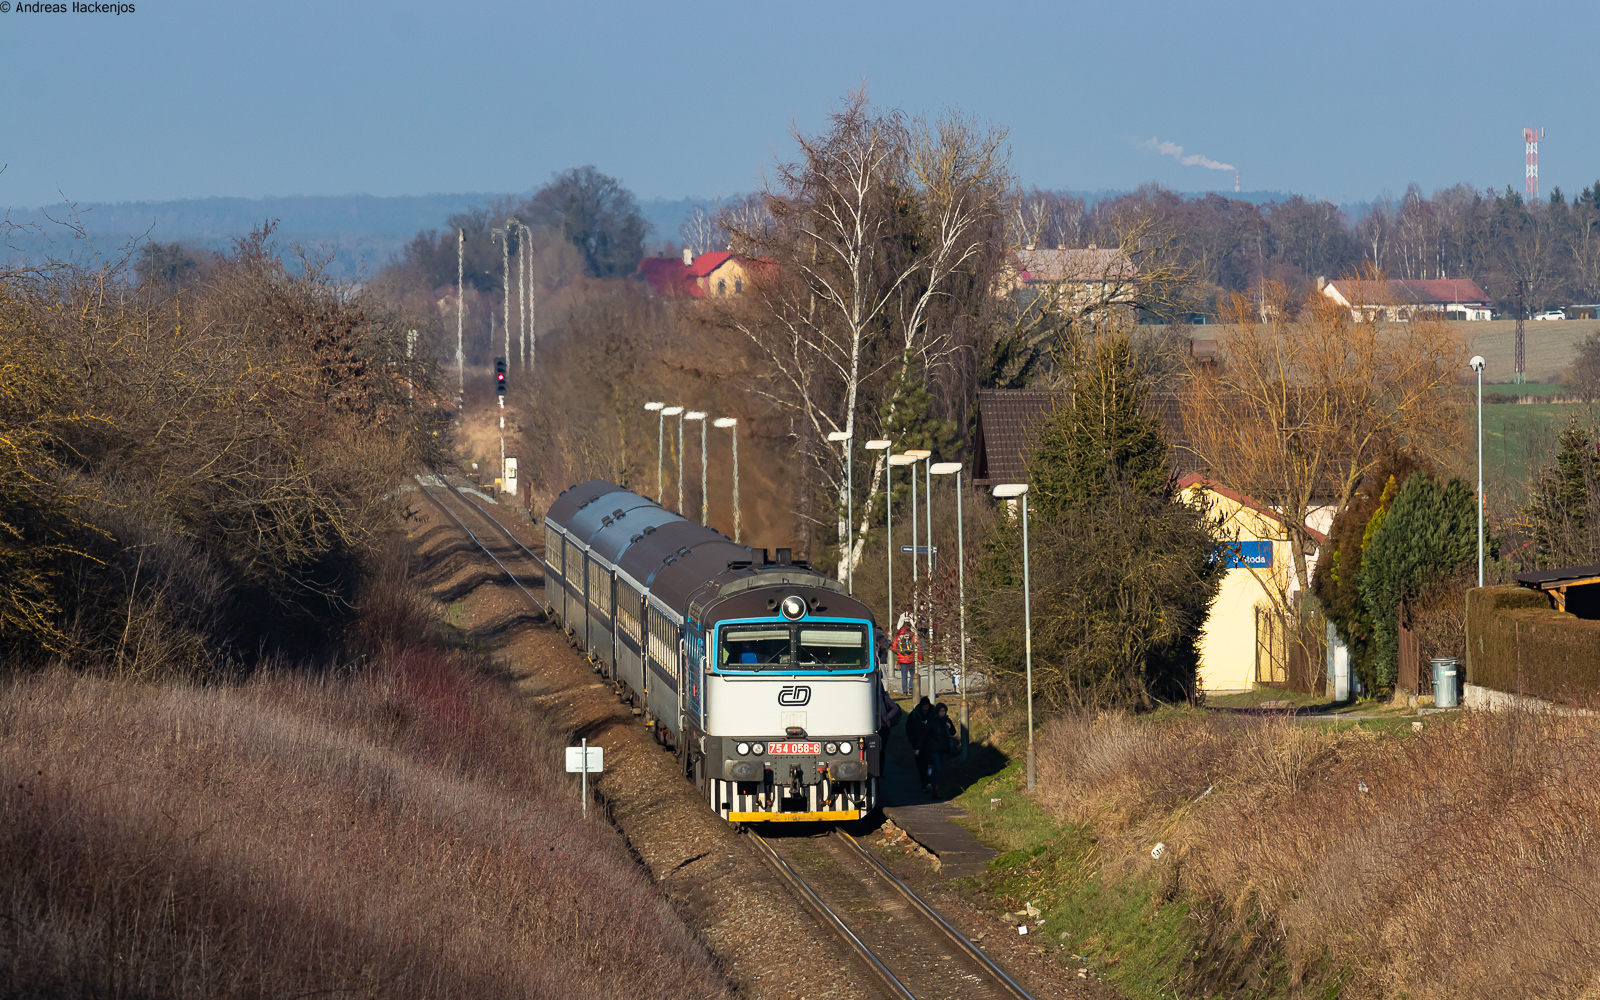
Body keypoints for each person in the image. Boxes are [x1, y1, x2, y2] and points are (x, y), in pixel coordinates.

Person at [919, 703, 958, 798]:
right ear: (937, 711)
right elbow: (925, 733)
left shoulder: (947, 720)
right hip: (934, 749)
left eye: (944, 711)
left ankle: (936, 787)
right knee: (937, 768)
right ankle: (935, 789)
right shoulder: (932, 721)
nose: (943, 713)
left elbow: (953, 733)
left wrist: (949, 726)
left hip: (944, 749)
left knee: (940, 769)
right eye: (941, 711)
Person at [905, 697, 933, 789]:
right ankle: (924, 781)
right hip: (918, 745)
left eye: (927, 705)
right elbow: (910, 731)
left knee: (929, 764)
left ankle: (928, 781)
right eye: (924, 705)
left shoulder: (933, 714)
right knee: (921, 765)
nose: (925, 707)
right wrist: (914, 744)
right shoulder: (914, 715)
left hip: (930, 744)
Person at [892, 622, 916, 695]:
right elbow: (917, 645)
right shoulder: (912, 635)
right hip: (911, 658)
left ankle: (905, 691)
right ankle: (911, 687)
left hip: (902, 660)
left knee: (904, 676)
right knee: (913, 674)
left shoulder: (898, 636)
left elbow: (894, 648)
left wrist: (899, 653)